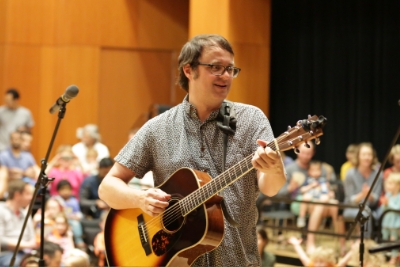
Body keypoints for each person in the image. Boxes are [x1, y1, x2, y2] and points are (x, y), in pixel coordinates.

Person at [99, 34, 286, 266]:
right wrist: (140, 199)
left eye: (230, 69)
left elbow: (270, 188)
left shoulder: (251, 119)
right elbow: (107, 187)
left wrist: (275, 169)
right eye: (216, 67)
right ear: (189, 70)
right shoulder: (158, 128)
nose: (226, 76)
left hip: (237, 260)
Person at [343, 142, 383, 239]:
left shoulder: (378, 174)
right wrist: (362, 194)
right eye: (364, 154)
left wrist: (369, 195)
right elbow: (349, 200)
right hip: (352, 208)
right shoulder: (350, 173)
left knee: (384, 212)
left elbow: (376, 199)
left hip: (372, 208)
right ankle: (365, 244)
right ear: (358, 156)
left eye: (369, 155)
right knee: (365, 214)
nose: (367, 157)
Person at [0, 180, 37, 266]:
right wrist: (27, 245)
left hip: (25, 252)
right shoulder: (0, 210)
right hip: (6, 254)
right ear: (17, 195)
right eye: (27, 194)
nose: (31, 198)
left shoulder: (25, 213)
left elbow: (32, 238)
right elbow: (1, 240)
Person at [297, 160, 330, 228]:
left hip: (320, 197)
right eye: (313, 170)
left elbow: (326, 191)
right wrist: (311, 186)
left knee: (325, 197)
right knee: (305, 197)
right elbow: (302, 190)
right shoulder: (308, 180)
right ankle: (301, 217)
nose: (315, 173)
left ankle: (319, 222)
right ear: (309, 171)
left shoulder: (323, 180)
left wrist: (326, 187)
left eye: (317, 170)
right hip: (310, 195)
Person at [288, 236, 354, 267]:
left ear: (328, 261)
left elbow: (343, 262)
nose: (318, 264)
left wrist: (352, 250)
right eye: (316, 261)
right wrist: (296, 244)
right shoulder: (313, 266)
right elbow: (303, 258)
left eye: (321, 262)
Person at [380, 172, 400, 265]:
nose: (388, 185)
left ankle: (394, 257)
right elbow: (383, 209)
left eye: (391, 183)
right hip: (386, 221)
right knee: (384, 238)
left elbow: (397, 208)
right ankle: (383, 255)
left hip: (395, 223)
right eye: (387, 183)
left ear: (398, 185)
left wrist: (388, 204)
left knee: (393, 240)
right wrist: (384, 204)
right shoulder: (388, 195)